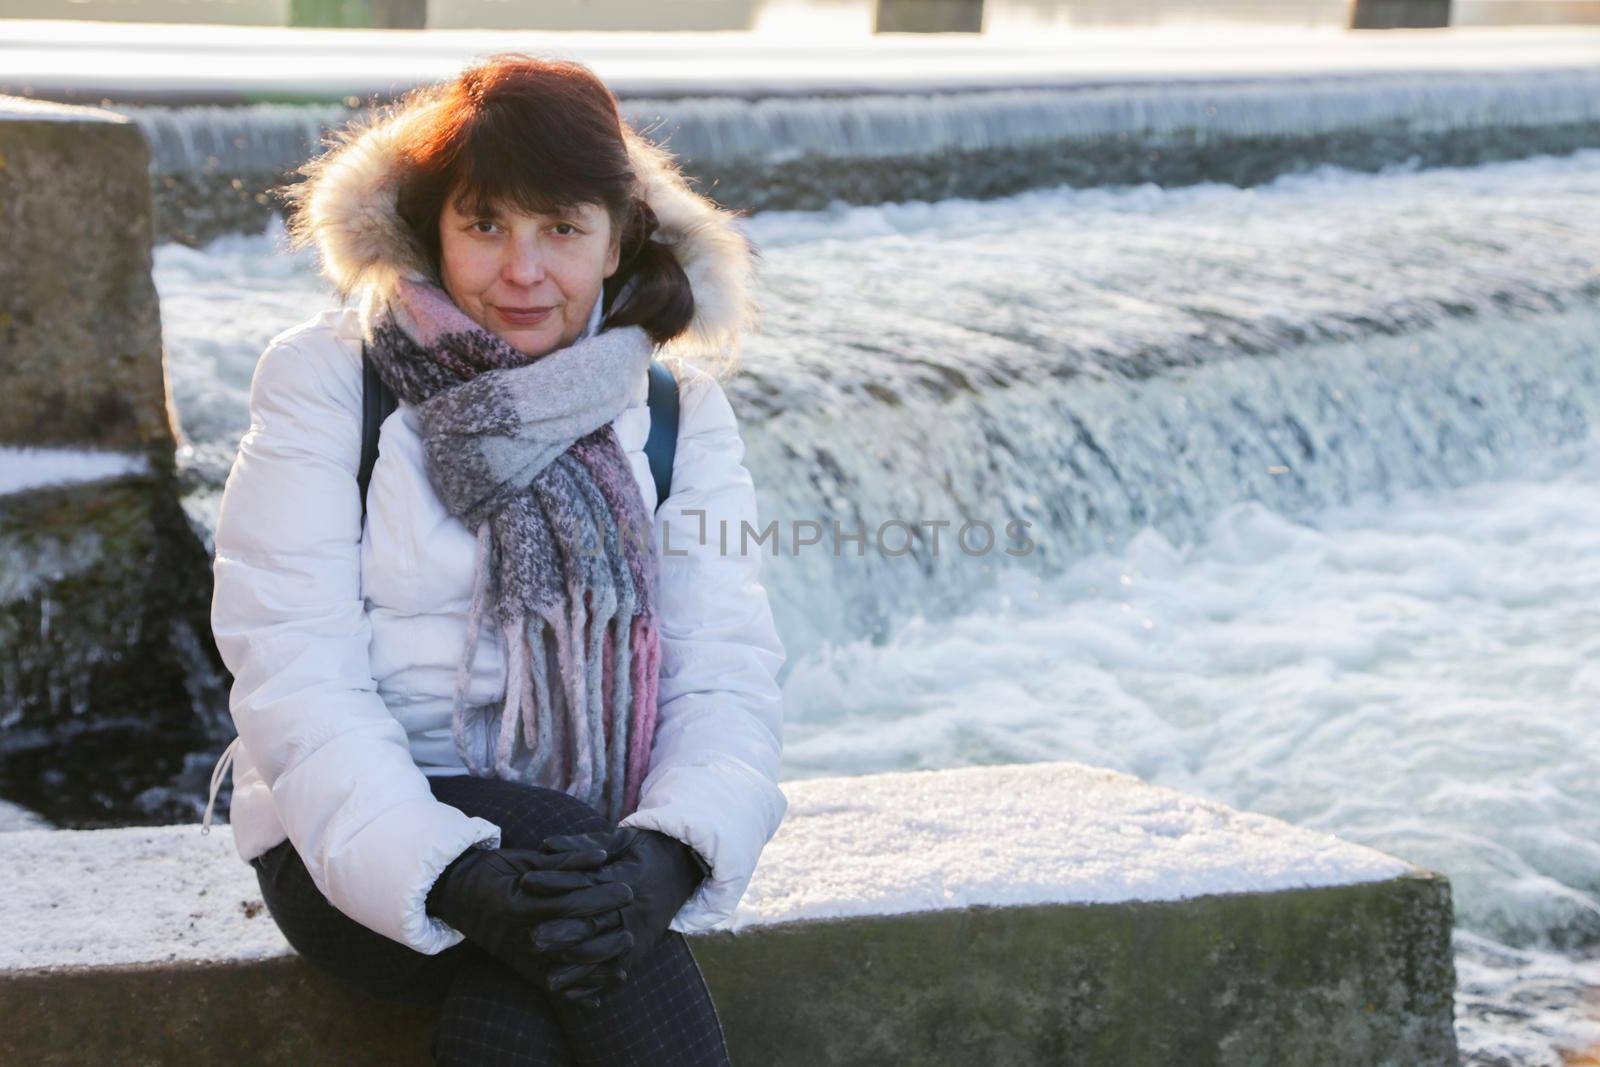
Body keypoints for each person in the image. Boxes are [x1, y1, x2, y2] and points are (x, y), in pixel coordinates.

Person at [202, 52, 787, 1066]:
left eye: (560, 227)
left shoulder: (672, 415)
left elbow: (725, 666)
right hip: (354, 840)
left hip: (598, 853)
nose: (522, 269)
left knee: (523, 998)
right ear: (433, 228)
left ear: (617, 241)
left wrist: (663, 856)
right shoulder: (332, 381)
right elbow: (292, 669)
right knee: (565, 897)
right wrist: (461, 874)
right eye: (485, 225)